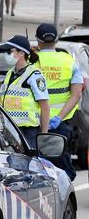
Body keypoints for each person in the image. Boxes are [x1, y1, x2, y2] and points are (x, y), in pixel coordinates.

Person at [34, 23, 82, 180]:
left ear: (38, 41)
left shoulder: (31, 60)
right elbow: (76, 95)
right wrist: (59, 118)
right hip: (59, 126)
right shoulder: (69, 61)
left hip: (34, 124)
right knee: (62, 171)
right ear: (56, 41)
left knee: (35, 169)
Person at [0, 35, 50, 147]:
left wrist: (43, 136)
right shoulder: (10, 73)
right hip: (10, 130)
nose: (6, 55)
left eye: (9, 51)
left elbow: (45, 107)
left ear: (21, 53)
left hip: (28, 132)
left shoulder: (34, 75)